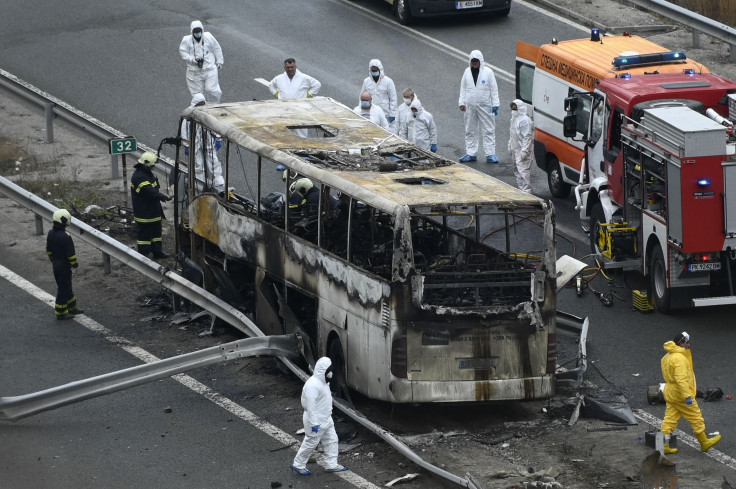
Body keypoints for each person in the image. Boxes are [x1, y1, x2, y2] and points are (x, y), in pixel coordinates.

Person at [660, 331, 722, 454]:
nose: (689, 344)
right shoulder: (679, 359)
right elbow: (681, 379)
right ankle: (704, 442)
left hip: (670, 391)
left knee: (669, 419)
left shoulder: (667, 357)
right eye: (687, 342)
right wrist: (687, 396)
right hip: (680, 393)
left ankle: (663, 445)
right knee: (695, 416)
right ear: (681, 344)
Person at [290, 357, 348, 475]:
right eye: (329, 370)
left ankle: (331, 464)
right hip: (316, 420)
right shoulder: (313, 385)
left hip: (326, 418)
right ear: (324, 371)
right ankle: (298, 464)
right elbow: (311, 407)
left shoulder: (323, 382)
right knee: (311, 443)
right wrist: (314, 423)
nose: (332, 373)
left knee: (332, 440)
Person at [458, 50, 500, 163]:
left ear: (480, 61)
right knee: (470, 130)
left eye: (476, 61)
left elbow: (494, 89)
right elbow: (463, 88)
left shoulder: (488, 72)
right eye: (473, 61)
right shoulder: (467, 72)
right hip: (470, 106)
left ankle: (490, 154)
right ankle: (471, 153)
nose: (475, 63)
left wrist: (495, 104)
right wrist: (462, 102)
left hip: (485, 106)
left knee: (488, 130)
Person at [180, 93, 225, 194]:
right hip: (195, 143)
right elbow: (185, 131)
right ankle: (201, 186)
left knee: (214, 162)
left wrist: (218, 138)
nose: (201, 105)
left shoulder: (207, 112)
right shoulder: (189, 114)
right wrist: (186, 145)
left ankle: (219, 184)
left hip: (208, 141)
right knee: (199, 164)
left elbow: (214, 125)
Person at [131, 152, 171, 259]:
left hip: (153, 210)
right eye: (152, 165)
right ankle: (143, 255)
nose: (153, 167)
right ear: (146, 164)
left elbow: (154, 189)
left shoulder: (147, 173)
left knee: (156, 234)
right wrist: (162, 197)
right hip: (144, 212)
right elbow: (150, 192)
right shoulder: (139, 177)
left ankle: (157, 252)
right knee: (145, 235)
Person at [46, 209, 84, 320]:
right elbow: (71, 254)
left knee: (66, 286)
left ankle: (72, 307)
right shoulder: (65, 236)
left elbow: (49, 250)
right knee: (63, 288)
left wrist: (53, 260)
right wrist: (75, 264)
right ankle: (61, 311)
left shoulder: (50, 233)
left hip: (56, 264)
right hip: (64, 266)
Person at [179, 20, 224, 104]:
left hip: (209, 69)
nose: (197, 34)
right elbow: (183, 51)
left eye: (199, 32)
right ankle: (199, 112)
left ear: (202, 30)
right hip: (194, 72)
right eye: (195, 32)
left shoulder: (208, 37)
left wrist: (220, 61)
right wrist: (192, 59)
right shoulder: (186, 40)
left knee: (213, 90)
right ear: (192, 32)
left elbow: (216, 48)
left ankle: (213, 108)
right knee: (198, 97)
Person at [361, 59, 398, 134]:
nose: (374, 72)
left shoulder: (388, 82)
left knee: (386, 132)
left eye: (376, 70)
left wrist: (393, 114)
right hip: (372, 113)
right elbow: (362, 97)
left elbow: (393, 99)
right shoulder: (367, 81)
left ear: (380, 69)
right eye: (373, 71)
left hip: (385, 114)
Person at [508, 99, 534, 193]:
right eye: (512, 108)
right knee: (517, 171)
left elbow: (527, 137)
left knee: (523, 171)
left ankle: (527, 192)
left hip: (523, 150)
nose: (513, 110)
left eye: (515, 108)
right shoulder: (514, 119)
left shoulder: (525, 121)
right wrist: (510, 145)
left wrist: (525, 151)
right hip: (516, 149)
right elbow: (512, 133)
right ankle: (521, 190)